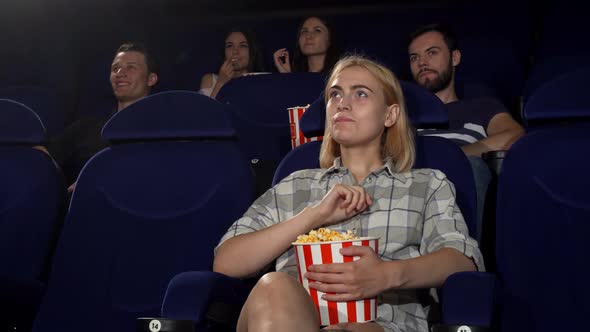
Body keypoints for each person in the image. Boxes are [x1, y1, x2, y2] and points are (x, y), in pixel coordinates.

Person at [213, 55, 484, 332]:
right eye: (335, 95)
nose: (343, 103)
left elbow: (461, 261)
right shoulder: (294, 185)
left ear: (390, 115)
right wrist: (313, 216)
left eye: (361, 94)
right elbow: (227, 262)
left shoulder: (426, 184)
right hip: (289, 318)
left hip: (382, 324)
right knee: (273, 286)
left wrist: (386, 275)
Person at [407, 24, 524, 241]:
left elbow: (513, 133)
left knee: (473, 167)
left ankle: (465, 262)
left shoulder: (481, 107)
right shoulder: (400, 115)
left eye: (432, 53)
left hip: (461, 182)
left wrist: (455, 157)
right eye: (414, 57)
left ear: (455, 58)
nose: (422, 62)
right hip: (409, 185)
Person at [45, 42, 158, 190]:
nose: (120, 73)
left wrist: (92, 180)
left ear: (151, 79)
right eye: (115, 68)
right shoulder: (86, 128)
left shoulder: (164, 131)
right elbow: (44, 154)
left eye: (131, 67)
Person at [199, 28, 264, 99]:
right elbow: (207, 109)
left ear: (253, 51)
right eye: (229, 46)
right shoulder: (211, 80)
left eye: (243, 46)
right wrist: (220, 83)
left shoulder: (262, 82)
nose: (235, 51)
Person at [273, 16, 340, 74]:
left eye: (317, 30)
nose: (308, 36)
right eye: (304, 31)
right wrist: (287, 76)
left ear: (330, 39)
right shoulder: (298, 77)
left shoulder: (340, 74)